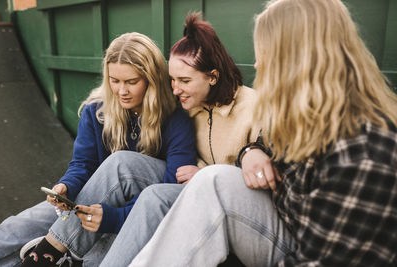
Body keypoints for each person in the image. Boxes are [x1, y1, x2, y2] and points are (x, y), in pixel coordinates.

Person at [126, 0, 397, 266]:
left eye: (265, 53)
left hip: (300, 250)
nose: (256, 65)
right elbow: (261, 147)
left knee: (212, 181)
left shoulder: (365, 153)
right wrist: (250, 152)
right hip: (279, 224)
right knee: (157, 184)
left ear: (298, 59)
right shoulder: (303, 115)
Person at [0, 32, 197, 267]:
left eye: (132, 82)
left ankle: (49, 254)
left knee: (97, 249)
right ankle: (49, 254)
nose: (122, 90)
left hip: (135, 208)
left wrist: (112, 218)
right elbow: (83, 164)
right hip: (93, 197)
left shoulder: (175, 117)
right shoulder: (96, 111)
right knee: (16, 229)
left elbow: (168, 187)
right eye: (115, 80)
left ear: (151, 79)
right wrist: (67, 187)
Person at [99, 13, 263, 266]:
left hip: (238, 212)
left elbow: (263, 183)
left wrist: (209, 174)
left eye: (184, 81)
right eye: (173, 80)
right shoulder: (187, 107)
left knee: (155, 198)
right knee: (126, 166)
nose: (175, 90)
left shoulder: (254, 109)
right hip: (194, 194)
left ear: (213, 76)